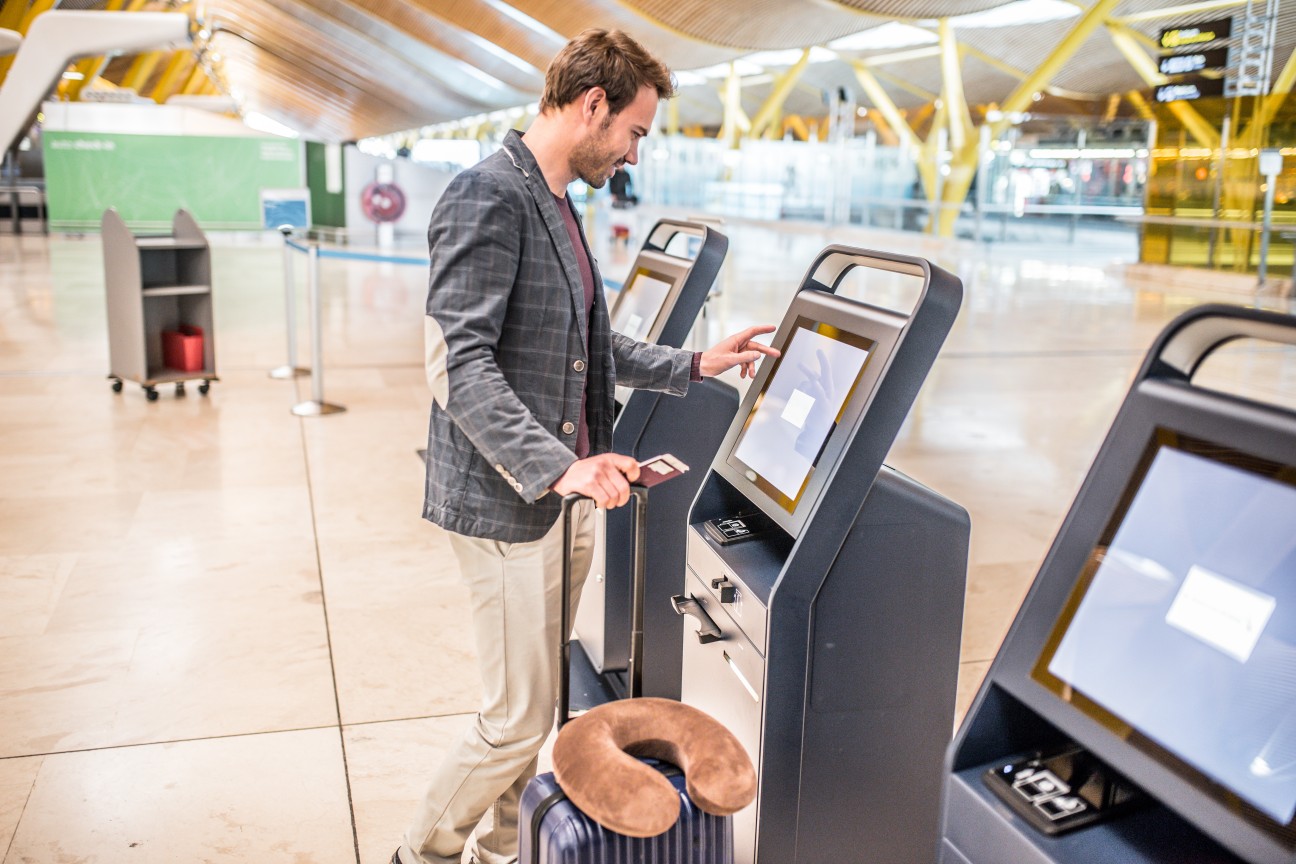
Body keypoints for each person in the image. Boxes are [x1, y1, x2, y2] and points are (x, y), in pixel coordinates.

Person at [396, 28, 779, 864]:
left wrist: (696, 362)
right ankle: (417, 855)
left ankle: (499, 849)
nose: (636, 152)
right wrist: (560, 465)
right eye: (636, 131)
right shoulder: (486, 195)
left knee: (531, 711)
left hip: (558, 500)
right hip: (506, 502)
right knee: (515, 721)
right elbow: (458, 366)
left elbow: (586, 349)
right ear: (593, 104)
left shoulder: (556, 201)